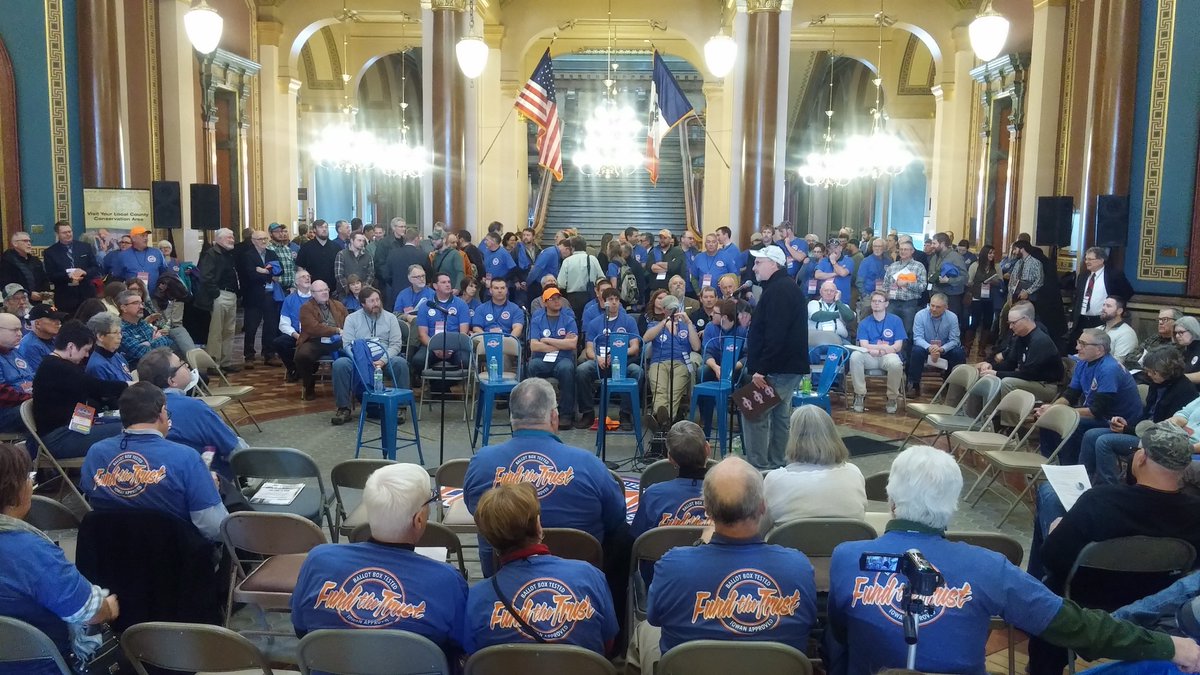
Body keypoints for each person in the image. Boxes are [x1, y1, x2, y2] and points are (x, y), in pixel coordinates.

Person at [826, 444, 1200, 675]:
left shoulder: (846, 558)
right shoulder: (990, 566)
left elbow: (839, 641)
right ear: (953, 507)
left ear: (891, 500)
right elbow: (1078, 627)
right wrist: (1169, 645)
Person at [1027, 423, 1200, 675]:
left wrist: (1056, 532)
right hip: (1153, 603)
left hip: (1080, 600)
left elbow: (1052, 559)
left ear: (1140, 458)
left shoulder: (1099, 501)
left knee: (1048, 501)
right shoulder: (1196, 513)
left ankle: (1041, 664)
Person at [626, 456, 818, 675]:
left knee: (645, 630)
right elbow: (809, 624)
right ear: (763, 507)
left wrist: (700, 544)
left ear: (707, 510)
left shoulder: (672, 565)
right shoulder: (798, 567)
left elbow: (655, 617)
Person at [291, 462, 468, 658]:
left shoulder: (318, 560)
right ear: (418, 519)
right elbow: (462, 647)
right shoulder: (447, 580)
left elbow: (301, 629)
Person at [463, 378, 627, 577]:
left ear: (511, 416)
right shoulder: (589, 464)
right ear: (554, 417)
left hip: (503, 580)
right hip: (579, 584)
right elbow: (616, 518)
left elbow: (477, 513)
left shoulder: (481, 462)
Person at [0, 442, 121, 673]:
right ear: (15, 493)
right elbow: (90, 613)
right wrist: (107, 608)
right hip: (42, 665)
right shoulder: (32, 552)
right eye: (28, 477)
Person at [465, 482, 618, 656]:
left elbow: (473, 656)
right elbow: (607, 645)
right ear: (538, 525)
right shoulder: (589, 576)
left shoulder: (475, 599)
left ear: (488, 538)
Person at [81, 382, 228, 541]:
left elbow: (93, 499)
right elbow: (216, 529)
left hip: (111, 556)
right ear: (162, 413)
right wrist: (208, 489)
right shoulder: (187, 458)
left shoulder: (95, 453)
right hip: (177, 558)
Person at [1078, 346, 1196, 486]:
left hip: (1159, 440)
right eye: (1148, 371)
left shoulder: (1184, 392)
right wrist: (1125, 423)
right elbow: (1146, 416)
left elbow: (1162, 429)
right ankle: (1083, 480)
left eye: (1154, 372)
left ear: (1168, 371)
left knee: (1104, 441)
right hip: (1142, 430)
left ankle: (1108, 486)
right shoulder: (1156, 384)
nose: (1149, 375)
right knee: (1090, 435)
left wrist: (1127, 429)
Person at [741, 246, 808, 469]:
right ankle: (778, 464)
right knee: (780, 417)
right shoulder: (781, 287)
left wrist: (762, 368)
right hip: (786, 366)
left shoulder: (779, 290)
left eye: (759, 263)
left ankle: (758, 467)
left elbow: (776, 334)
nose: (754, 267)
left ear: (773, 264)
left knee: (753, 411)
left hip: (778, 367)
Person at [1036, 328, 1142, 465]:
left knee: (1073, 424)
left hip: (1118, 422)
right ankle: (1048, 464)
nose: (1077, 347)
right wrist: (1051, 408)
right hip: (1096, 414)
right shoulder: (1083, 363)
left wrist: (1060, 412)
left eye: (1083, 344)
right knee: (1047, 417)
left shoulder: (1109, 369)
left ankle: (1070, 468)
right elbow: (1070, 395)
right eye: (1078, 342)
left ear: (1099, 349)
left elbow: (1097, 411)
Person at [136, 347, 244, 480]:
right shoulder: (194, 408)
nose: (187, 365)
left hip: (156, 483)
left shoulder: (136, 410)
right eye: (182, 363)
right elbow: (236, 451)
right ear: (172, 381)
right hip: (205, 484)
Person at [31, 320, 128, 458]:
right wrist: (128, 385)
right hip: (60, 438)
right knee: (131, 429)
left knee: (125, 422)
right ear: (71, 347)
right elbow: (96, 387)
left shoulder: (56, 365)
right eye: (86, 350)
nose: (87, 355)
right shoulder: (58, 367)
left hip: (72, 428)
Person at [763, 406, 866, 525]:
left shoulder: (775, 479)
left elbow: (761, 529)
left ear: (793, 437)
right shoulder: (854, 473)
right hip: (848, 541)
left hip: (792, 543)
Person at [329, 285, 408, 426]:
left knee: (400, 363)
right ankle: (343, 409)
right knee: (340, 365)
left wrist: (382, 361)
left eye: (378, 300)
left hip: (384, 356)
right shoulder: (352, 319)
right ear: (363, 304)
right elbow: (347, 345)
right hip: (359, 358)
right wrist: (363, 360)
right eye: (371, 301)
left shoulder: (390, 318)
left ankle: (400, 408)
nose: (376, 304)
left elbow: (396, 345)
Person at [630, 420, 711, 539]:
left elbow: (636, 540)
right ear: (708, 449)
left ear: (670, 458)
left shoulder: (653, 495)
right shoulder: (730, 495)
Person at [975, 301, 1064, 409]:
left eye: (1014, 323)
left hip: (1046, 385)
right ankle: (981, 417)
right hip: (1030, 379)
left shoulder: (1040, 341)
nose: (1011, 327)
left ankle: (1008, 424)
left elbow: (1028, 374)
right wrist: (991, 366)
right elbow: (1010, 364)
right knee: (984, 375)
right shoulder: (1019, 337)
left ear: (1026, 319)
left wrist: (997, 373)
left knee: (1007, 382)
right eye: (1009, 323)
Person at [576, 288, 642, 431]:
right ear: (603, 302)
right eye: (610, 300)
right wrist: (598, 358)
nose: (613, 303)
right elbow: (588, 349)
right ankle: (588, 413)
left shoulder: (628, 321)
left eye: (616, 299)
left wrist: (619, 354)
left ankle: (625, 413)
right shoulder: (594, 323)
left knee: (637, 371)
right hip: (600, 362)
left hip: (622, 362)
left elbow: (635, 347)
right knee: (582, 370)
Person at [643, 291, 699, 430]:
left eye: (675, 308)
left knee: (674, 392)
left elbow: (696, 346)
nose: (673, 311)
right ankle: (666, 421)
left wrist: (689, 323)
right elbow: (645, 338)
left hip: (681, 362)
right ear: (663, 310)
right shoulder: (656, 324)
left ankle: (660, 420)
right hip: (659, 362)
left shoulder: (686, 325)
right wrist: (663, 323)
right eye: (670, 309)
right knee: (660, 389)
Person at [849, 291, 907, 414]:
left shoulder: (896, 321)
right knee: (855, 356)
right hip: (870, 356)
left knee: (896, 363)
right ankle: (859, 395)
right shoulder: (865, 323)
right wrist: (880, 348)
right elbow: (863, 345)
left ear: (886, 304)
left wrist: (880, 349)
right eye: (874, 301)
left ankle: (892, 398)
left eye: (879, 301)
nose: (876, 304)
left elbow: (898, 346)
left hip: (888, 356)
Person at [528, 288, 578, 430]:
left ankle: (566, 414)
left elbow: (572, 344)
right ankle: (534, 412)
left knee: (567, 368)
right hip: (542, 359)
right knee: (532, 366)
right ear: (544, 303)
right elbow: (534, 346)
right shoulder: (537, 320)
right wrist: (561, 343)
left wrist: (546, 340)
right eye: (552, 299)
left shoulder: (568, 320)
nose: (557, 301)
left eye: (558, 298)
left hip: (563, 359)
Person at [696, 299, 748, 436]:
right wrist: (716, 368)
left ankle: (746, 421)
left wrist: (732, 367)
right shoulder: (710, 327)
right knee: (702, 371)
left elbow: (747, 355)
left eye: (715, 313)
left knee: (748, 374)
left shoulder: (742, 330)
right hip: (716, 368)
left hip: (736, 368)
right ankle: (705, 419)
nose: (711, 315)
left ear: (724, 317)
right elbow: (707, 352)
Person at [195, 228, 241, 372]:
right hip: (219, 295)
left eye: (232, 237)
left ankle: (225, 362)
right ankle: (213, 363)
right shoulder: (211, 254)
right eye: (229, 237)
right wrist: (216, 294)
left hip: (232, 295)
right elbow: (206, 276)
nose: (232, 239)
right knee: (216, 332)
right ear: (219, 239)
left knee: (229, 331)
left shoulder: (231, 254)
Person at [1070, 246, 1134, 347]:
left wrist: (1117, 308)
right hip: (1081, 320)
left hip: (1101, 320)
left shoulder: (1113, 275)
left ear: (1101, 260)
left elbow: (1127, 292)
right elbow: (1077, 298)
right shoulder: (1083, 276)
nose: (1087, 261)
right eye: (1086, 259)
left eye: (1090, 259)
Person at [237, 229, 283, 369]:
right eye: (260, 239)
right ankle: (249, 356)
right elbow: (250, 275)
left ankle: (269, 354)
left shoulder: (271, 253)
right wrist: (268, 273)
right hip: (253, 296)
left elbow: (280, 271)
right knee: (251, 327)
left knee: (271, 325)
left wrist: (262, 271)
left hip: (270, 295)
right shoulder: (247, 255)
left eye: (265, 239)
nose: (263, 241)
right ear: (253, 241)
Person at [411, 272, 471, 380]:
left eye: (449, 282)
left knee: (465, 361)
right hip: (431, 345)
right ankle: (431, 386)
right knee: (418, 360)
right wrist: (434, 348)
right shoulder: (426, 305)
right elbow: (422, 334)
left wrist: (452, 348)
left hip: (456, 347)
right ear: (435, 286)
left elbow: (463, 332)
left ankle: (448, 386)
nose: (448, 284)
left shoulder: (461, 304)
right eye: (443, 282)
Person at [295, 280, 348, 401]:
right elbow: (314, 328)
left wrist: (343, 332)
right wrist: (336, 330)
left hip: (338, 340)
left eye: (326, 289)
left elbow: (348, 322)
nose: (324, 293)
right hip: (315, 340)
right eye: (320, 291)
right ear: (312, 293)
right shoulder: (306, 308)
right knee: (302, 355)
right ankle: (309, 386)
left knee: (353, 350)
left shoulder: (338, 305)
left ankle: (349, 386)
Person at [906, 293, 965, 399]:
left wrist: (942, 349)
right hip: (925, 347)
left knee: (958, 352)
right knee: (916, 350)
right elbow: (917, 338)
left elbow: (955, 340)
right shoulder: (920, 315)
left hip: (944, 348)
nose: (933, 309)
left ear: (946, 307)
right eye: (932, 305)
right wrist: (930, 347)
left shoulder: (952, 317)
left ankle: (951, 385)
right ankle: (914, 384)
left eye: (938, 307)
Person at [42, 221, 101, 316]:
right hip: (65, 296)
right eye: (64, 232)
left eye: (70, 231)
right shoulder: (50, 252)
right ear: (57, 234)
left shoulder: (85, 247)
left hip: (86, 293)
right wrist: (68, 275)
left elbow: (95, 268)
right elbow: (51, 276)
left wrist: (84, 272)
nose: (68, 234)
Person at [881, 239, 927, 351]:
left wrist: (907, 284)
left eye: (906, 249)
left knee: (907, 333)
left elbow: (922, 287)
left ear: (912, 251)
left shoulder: (918, 266)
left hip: (909, 304)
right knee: (890, 331)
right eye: (901, 249)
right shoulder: (893, 266)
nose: (902, 251)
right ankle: (891, 355)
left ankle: (905, 361)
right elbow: (885, 285)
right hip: (892, 303)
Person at [116, 290, 174, 367]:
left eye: (141, 303)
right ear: (124, 308)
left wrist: (149, 343)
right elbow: (142, 353)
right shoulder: (119, 329)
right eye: (136, 303)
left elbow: (168, 341)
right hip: (142, 370)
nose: (141, 307)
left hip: (161, 364)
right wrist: (154, 340)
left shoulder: (142, 323)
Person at [275, 269, 312, 382]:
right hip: (297, 334)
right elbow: (283, 324)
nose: (307, 278)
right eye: (303, 277)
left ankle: (306, 369)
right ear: (296, 282)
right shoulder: (289, 300)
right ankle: (294, 369)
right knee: (279, 342)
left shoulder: (317, 297)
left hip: (315, 334)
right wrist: (296, 335)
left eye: (308, 276)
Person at [0, 313, 33, 434]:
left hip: (24, 401)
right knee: (46, 408)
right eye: (14, 330)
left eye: (20, 329)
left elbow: (32, 377)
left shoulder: (15, 352)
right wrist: (31, 398)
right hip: (5, 411)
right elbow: (2, 393)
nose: (20, 334)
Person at [965, 244, 1001, 354]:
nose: (992, 255)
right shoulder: (975, 265)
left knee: (987, 322)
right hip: (977, 297)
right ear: (984, 253)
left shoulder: (997, 267)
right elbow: (968, 281)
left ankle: (982, 348)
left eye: (993, 253)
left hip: (990, 299)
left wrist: (994, 282)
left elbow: (1000, 282)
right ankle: (967, 347)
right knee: (974, 322)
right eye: (990, 253)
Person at [928, 232, 967, 329]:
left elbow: (965, 277)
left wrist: (949, 280)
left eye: (934, 243)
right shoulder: (934, 257)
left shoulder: (956, 257)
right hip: (936, 294)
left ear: (942, 244)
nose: (932, 246)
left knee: (950, 325)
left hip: (951, 297)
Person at [110, 225, 168, 291]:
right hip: (133, 296)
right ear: (133, 238)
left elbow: (164, 272)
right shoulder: (123, 255)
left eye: (146, 236)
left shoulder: (157, 253)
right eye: (142, 236)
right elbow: (117, 277)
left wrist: (164, 283)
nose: (146, 238)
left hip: (155, 296)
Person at [84, 312, 133, 383]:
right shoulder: (97, 366)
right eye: (115, 333)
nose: (120, 336)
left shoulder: (115, 354)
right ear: (100, 336)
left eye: (120, 332)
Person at [0, 231, 47, 303]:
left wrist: (44, 293)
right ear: (15, 244)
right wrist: (28, 294)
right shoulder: (7, 261)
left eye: (29, 241)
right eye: (25, 241)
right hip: (16, 302)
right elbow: (6, 285)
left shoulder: (35, 261)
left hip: (38, 300)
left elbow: (43, 279)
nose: (29, 243)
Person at [18, 305, 66, 372]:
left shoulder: (54, 338)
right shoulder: (30, 346)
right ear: (37, 324)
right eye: (53, 319)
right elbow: (41, 376)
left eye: (58, 319)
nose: (58, 322)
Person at [294, 219, 339, 288]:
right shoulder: (306, 248)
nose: (324, 229)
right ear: (314, 229)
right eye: (321, 227)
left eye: (326, 227)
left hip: (333, 288)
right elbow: (300, 267)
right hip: (312, 289)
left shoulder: (336, 247)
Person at [333, 230, 374, 301]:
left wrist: (362, 289)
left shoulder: (368, 255)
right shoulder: (342, 254)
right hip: (345, 295)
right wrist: (349, 289)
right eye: (359, 240)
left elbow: (371, 274)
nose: (362, 243)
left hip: (363, 295)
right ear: (351, 240)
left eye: (363, 241)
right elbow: (339, 275)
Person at [855, 239, 890, 320]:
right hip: (869, 296)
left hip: (883, 297)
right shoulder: (866, 261)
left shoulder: (888, 261)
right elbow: (859, 281)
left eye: (879, 246)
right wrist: (864, 295)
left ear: (884, 248)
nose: (877, 248)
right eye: (875, 246)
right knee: (865, 319)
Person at [1097, 295, 1138, 363]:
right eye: (1103, 305)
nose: (1104, 308)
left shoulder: (1126, 334)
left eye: (1108, 306)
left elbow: (1118, 363)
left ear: (1119, 311)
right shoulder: (1098, 329)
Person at [815, 237, 855, 303]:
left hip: (842, 299)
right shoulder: (824, 261)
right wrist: (835, 274)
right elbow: (817, 275)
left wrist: (833, 261)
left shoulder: (848, 260)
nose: (833, 250)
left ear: (840, 248)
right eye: (830, 248)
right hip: (826, 298)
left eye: (835, 247)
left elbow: (842, 273)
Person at [1174, 316, 1200, 382]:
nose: (1177, 336)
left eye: (1181, 332)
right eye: (1176, 333)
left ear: (1192, 331)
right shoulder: (1184, 351)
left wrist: (1178, 378)